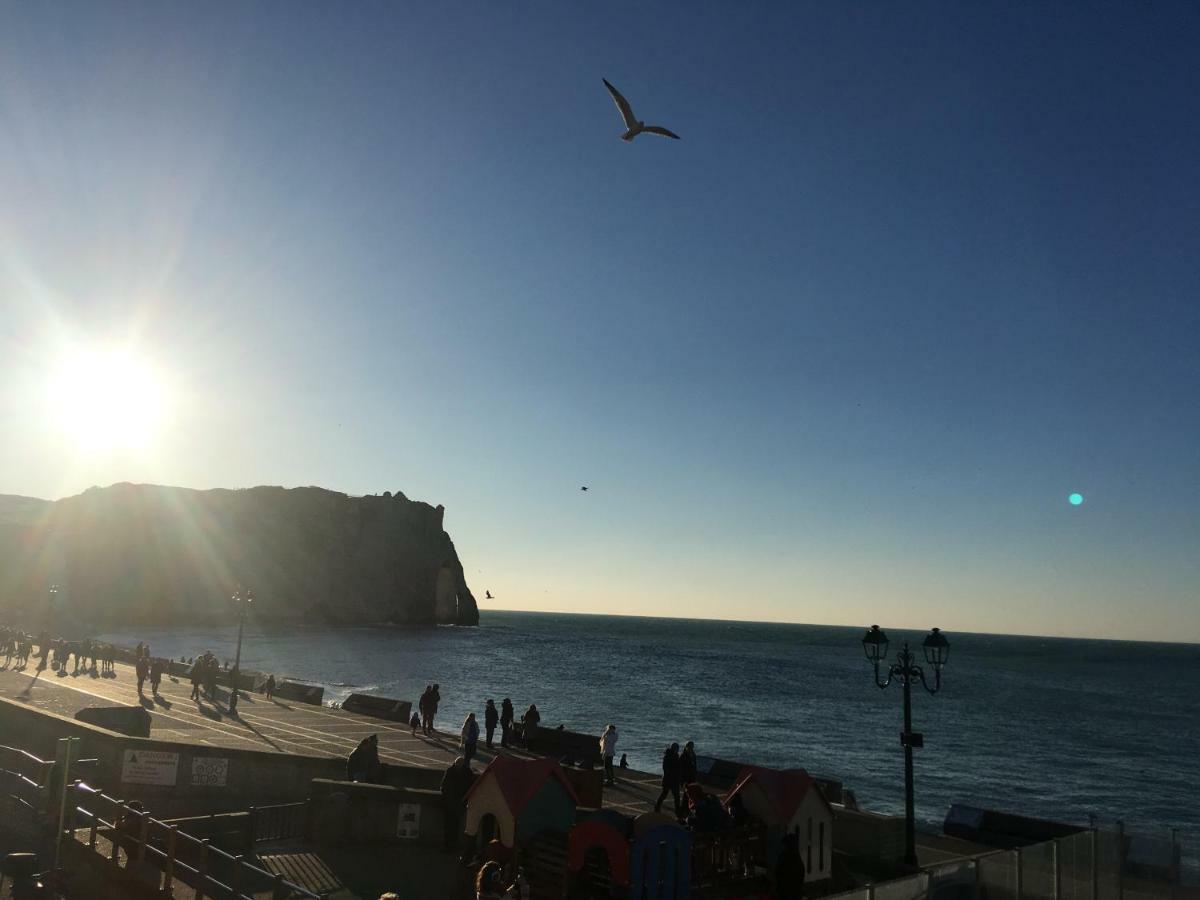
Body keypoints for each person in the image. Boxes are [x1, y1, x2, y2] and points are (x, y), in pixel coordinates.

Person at [439, 756, 474, 851]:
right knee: (452, 825)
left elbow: (443, 786)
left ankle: (450, 845)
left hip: (455, 803)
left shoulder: (451, 771)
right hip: (456, 803)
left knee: (451, 825)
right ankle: (450, 845)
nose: (458, 766)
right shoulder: (467, 772)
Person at [774, 831, 805, 899]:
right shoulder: (797, 858)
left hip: (785, 893)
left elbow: (778, 873)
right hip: (795, 893)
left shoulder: (784, 857)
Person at [655, 743, 682, 817]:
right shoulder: (668, 756)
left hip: (674, 779)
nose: (677, 749)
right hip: (669, 779)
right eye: (676, 748)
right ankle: (657, 808)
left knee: (676, 796)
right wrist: (672, 775)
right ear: (673, 748)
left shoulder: (676, 756)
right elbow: (665, 768)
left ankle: (677, 811)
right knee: (665, 795)